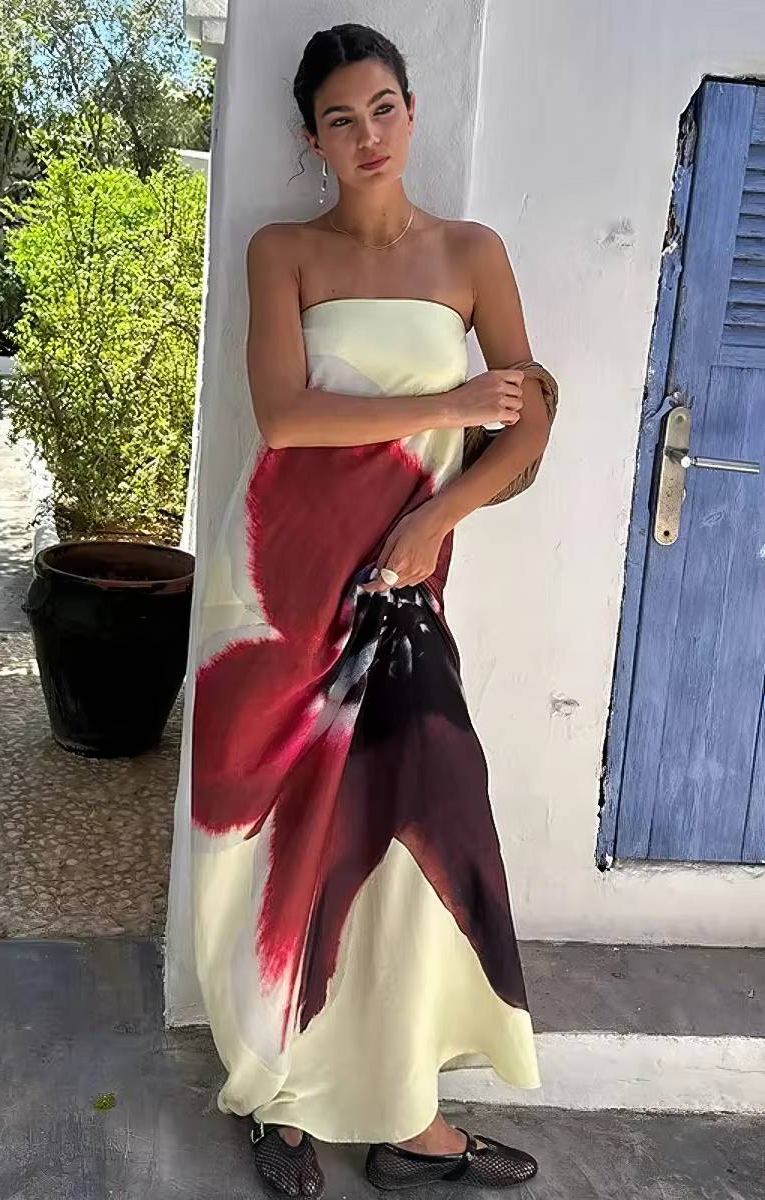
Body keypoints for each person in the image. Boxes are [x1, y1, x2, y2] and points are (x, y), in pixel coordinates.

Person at [189, 22, 558, 1197]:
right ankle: (281, 1098)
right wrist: (450, 400)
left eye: (383, 108)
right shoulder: (283, 250)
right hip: (277, 588)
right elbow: (286, 415)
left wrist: (438, 518)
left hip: (402, 588)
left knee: (405, 844)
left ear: (411, 111)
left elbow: (530, 417)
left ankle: (408, 1117)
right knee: (270, 849)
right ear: (312, 140)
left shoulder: (471, 252)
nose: (367, 136)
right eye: (340, 120)